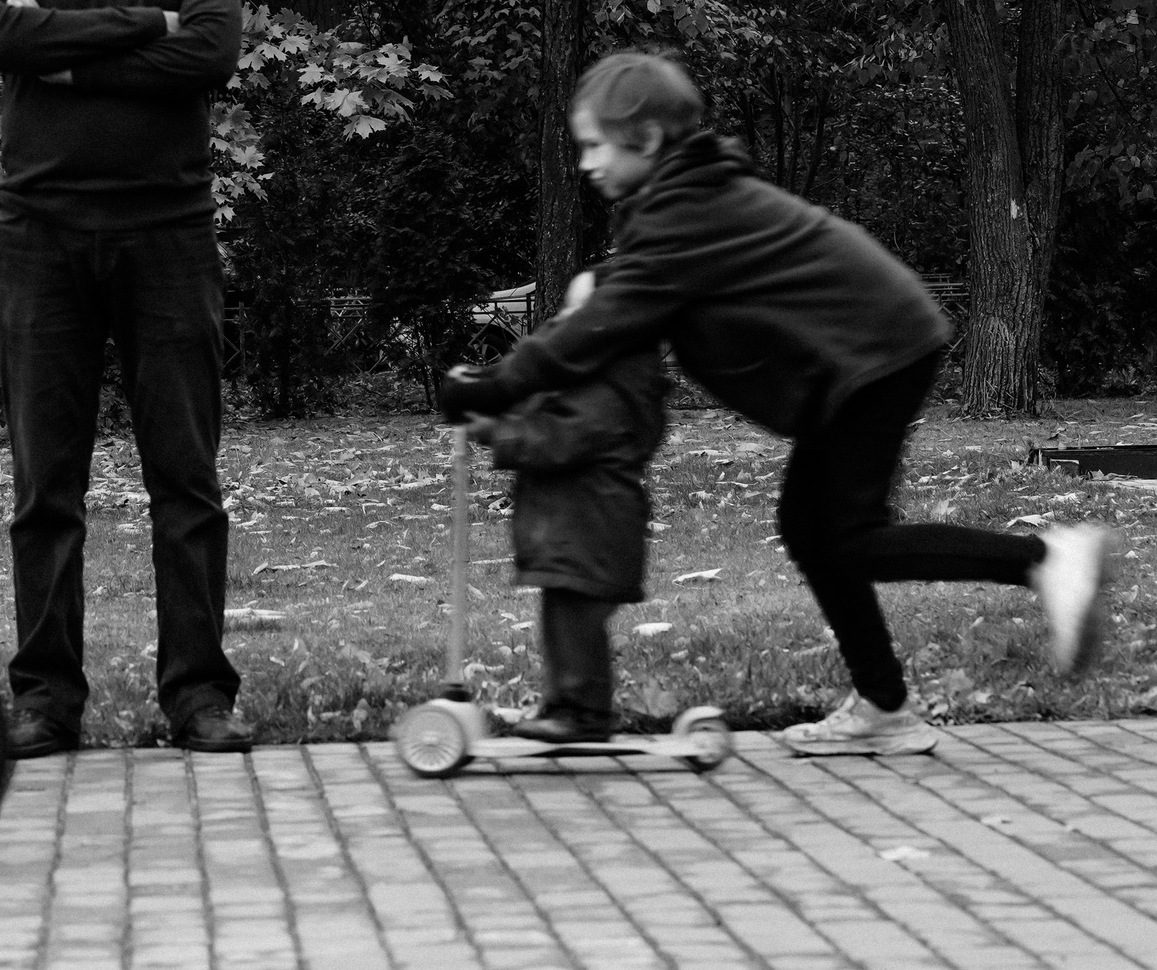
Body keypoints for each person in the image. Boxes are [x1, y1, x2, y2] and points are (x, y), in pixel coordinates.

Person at [438, 51, 1114, 757]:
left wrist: (489, 386)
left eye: (594, 145)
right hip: (861, 351)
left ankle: (1044, 558)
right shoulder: (680, 199)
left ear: (644, 140)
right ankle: (884, 703)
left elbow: (593, 329)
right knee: (811, 526)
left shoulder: (681, 211)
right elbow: (612, 313)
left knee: (844, 534)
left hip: (873, 347)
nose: (584, 163)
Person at [0, 0, 250, 757]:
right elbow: (1, 44)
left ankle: (197, 698)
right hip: (39, 236)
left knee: (186, 479)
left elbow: (208, 54)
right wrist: (140, 29)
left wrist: (68, 50)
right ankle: (46, 700)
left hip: (167, 236)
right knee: (46, 486)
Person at [443, 271, 668, 743]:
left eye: (577, 315)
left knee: (577, 622)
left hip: (594, 527)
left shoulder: (617, 383)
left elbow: (564, 437)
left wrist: (496, 432)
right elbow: (546, 414)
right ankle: (569, 704)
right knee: (567, 620)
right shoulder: (592, 374)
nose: (567, 324)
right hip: (577, 529)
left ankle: (583, 713)